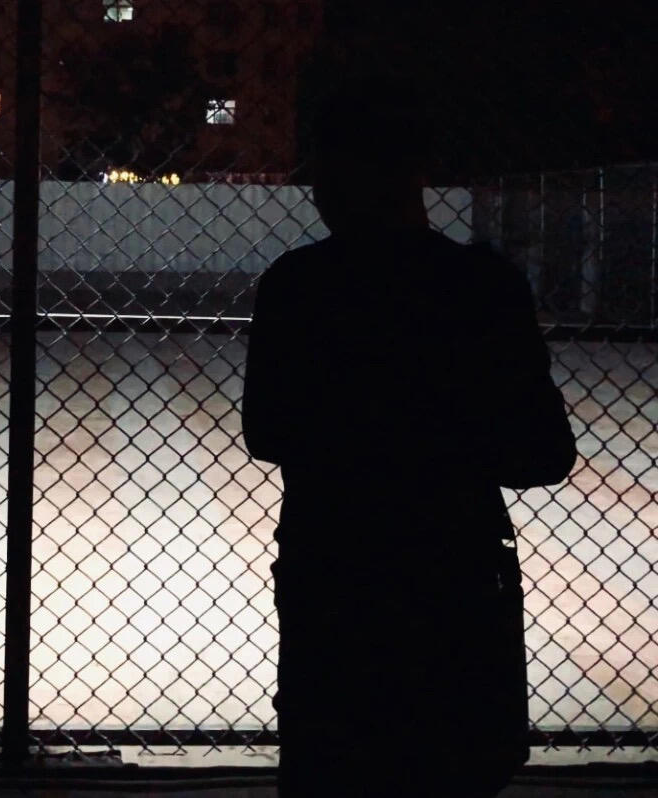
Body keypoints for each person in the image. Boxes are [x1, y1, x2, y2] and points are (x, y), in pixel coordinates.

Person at [243, 78, 577, 797]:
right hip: (451, 571)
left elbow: (267, 433)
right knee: (453, 763)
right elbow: (544, 454)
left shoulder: (297, 286)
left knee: (332, 762)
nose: (318, 192)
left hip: (333, 571)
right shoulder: (483, 286)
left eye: (326, 171)